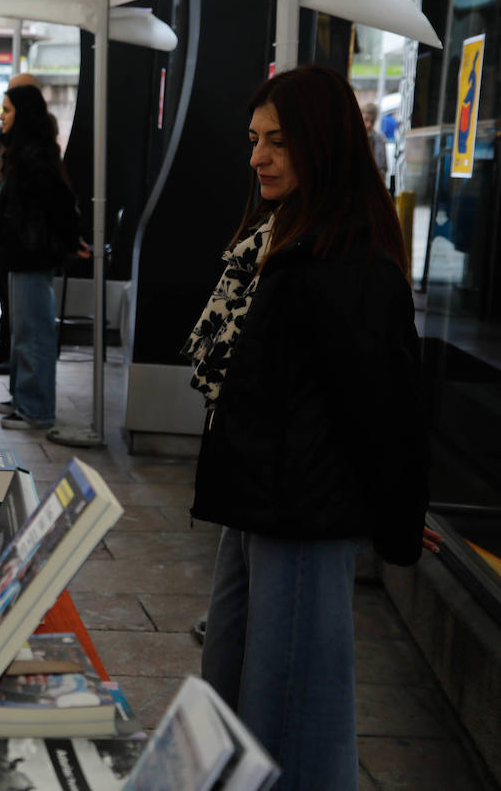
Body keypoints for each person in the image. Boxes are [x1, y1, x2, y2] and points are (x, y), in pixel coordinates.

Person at [185, 65, 435, 791]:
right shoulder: (278, 239)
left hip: (300, 512)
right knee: (234, 692)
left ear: (321, 146)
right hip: (257, 503)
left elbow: (386, 407)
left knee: (291, 714)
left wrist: (397, 512)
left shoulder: (347, 261)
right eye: (255, 139)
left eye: (279, 143)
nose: (257, 156)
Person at [0, 84, 82, 430]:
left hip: (32, 255)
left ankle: (36, 410)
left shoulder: (34, 155)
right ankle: (23, 399)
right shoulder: (23, 150)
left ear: (22, 113)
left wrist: (68, 240)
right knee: (24, 332)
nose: (1, 117)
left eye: (7, 110)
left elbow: (58, 203)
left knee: (34, 332)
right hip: (22, 255)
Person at [0, 73, 45, 371]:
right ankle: (7, 349)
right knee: (2, 290)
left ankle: (12, 356)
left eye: (8, 105)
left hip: (15, 237)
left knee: (14, 299)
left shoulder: (32, 149)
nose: (2, 114)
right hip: (2, 229)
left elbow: (9, 189)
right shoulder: (13, 139)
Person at [362, 101, 389, 181]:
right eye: (366, 120)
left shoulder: (379, 138)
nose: (369, 124)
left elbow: (381, 169)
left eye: (372, 121)